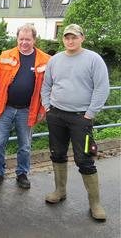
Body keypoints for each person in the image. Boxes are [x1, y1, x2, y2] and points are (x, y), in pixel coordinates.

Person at [41, 24, 109, 221]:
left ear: (82, 38)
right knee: (57, 154)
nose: (70, 41)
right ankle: (59, 191)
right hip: (56, 116)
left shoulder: (93, 59)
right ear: (63, 39)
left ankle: (95, 203)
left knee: (85, 158)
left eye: (74, 37)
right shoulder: (55, 60)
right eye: (67, 37)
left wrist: (90, 113)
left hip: (81, 118)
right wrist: (47, 107)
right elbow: (46, 85)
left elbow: (102, 88)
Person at [0, 24, 50, 189]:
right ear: (17, 39)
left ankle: (22, 173)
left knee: (25, 145)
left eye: (27, 39)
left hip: (28, 110)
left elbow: (48, 87)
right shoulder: (6, 55)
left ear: (34, 40)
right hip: (5, 107)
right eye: (21, 39)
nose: (24, 43)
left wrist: (43, 109)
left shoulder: (45, 60)